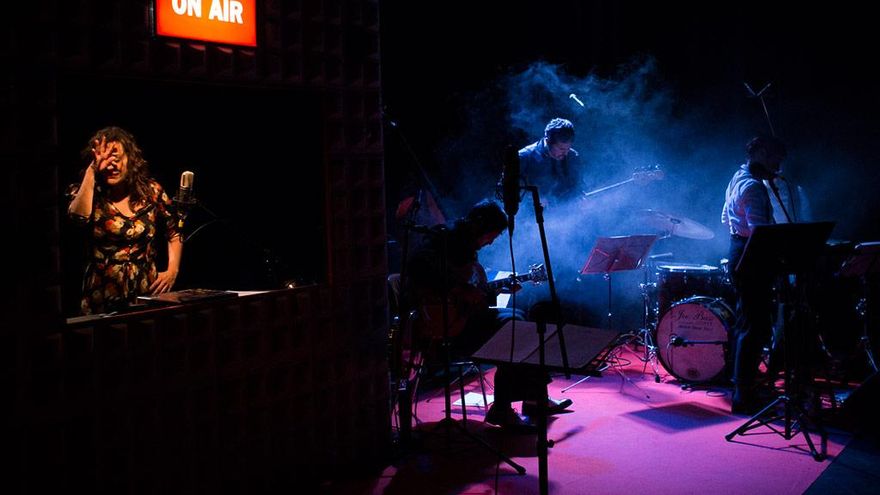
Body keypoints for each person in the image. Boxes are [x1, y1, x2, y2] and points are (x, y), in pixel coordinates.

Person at [404, 200, 573, 429]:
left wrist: (496, 290)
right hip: (444, 325)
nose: (492, 241)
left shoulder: (465, 247)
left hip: (463, 319)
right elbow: (416, 267)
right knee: (513, 325)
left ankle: (535, 398)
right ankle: (503, 409)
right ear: (479, 225)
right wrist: (458, 288)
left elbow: (473, 298)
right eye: (492, 235)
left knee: (521, 322)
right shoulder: (444, 237)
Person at [67, 126, 183, 315]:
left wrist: (172, 271)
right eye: (104, 160)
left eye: (117, 159)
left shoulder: (151, 192)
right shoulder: (86, 192)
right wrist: (92, 172)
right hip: (103, 293)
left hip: (147, 290)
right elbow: (78, 218)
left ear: (130, 160)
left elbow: (174, 231)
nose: (111, 165)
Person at [721, 135, 785, 414]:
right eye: (773, 158)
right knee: (756, 325)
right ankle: (744, 395)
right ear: (759, 152)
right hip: (752, 253)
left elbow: (725, 218)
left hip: (739, 249)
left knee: (745, 321)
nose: (777, 165)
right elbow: (761, 232)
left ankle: (737, 383)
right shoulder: (753, 186)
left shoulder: (737, 177)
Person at [518, 117, 581, 200]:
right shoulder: (524, 157)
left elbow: (578, 186)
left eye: (568, 148)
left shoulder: (573, 157)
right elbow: (506, 191)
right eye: (561, 149)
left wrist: (580, 196)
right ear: (548, 142)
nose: (565, 153)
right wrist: (533, 198)